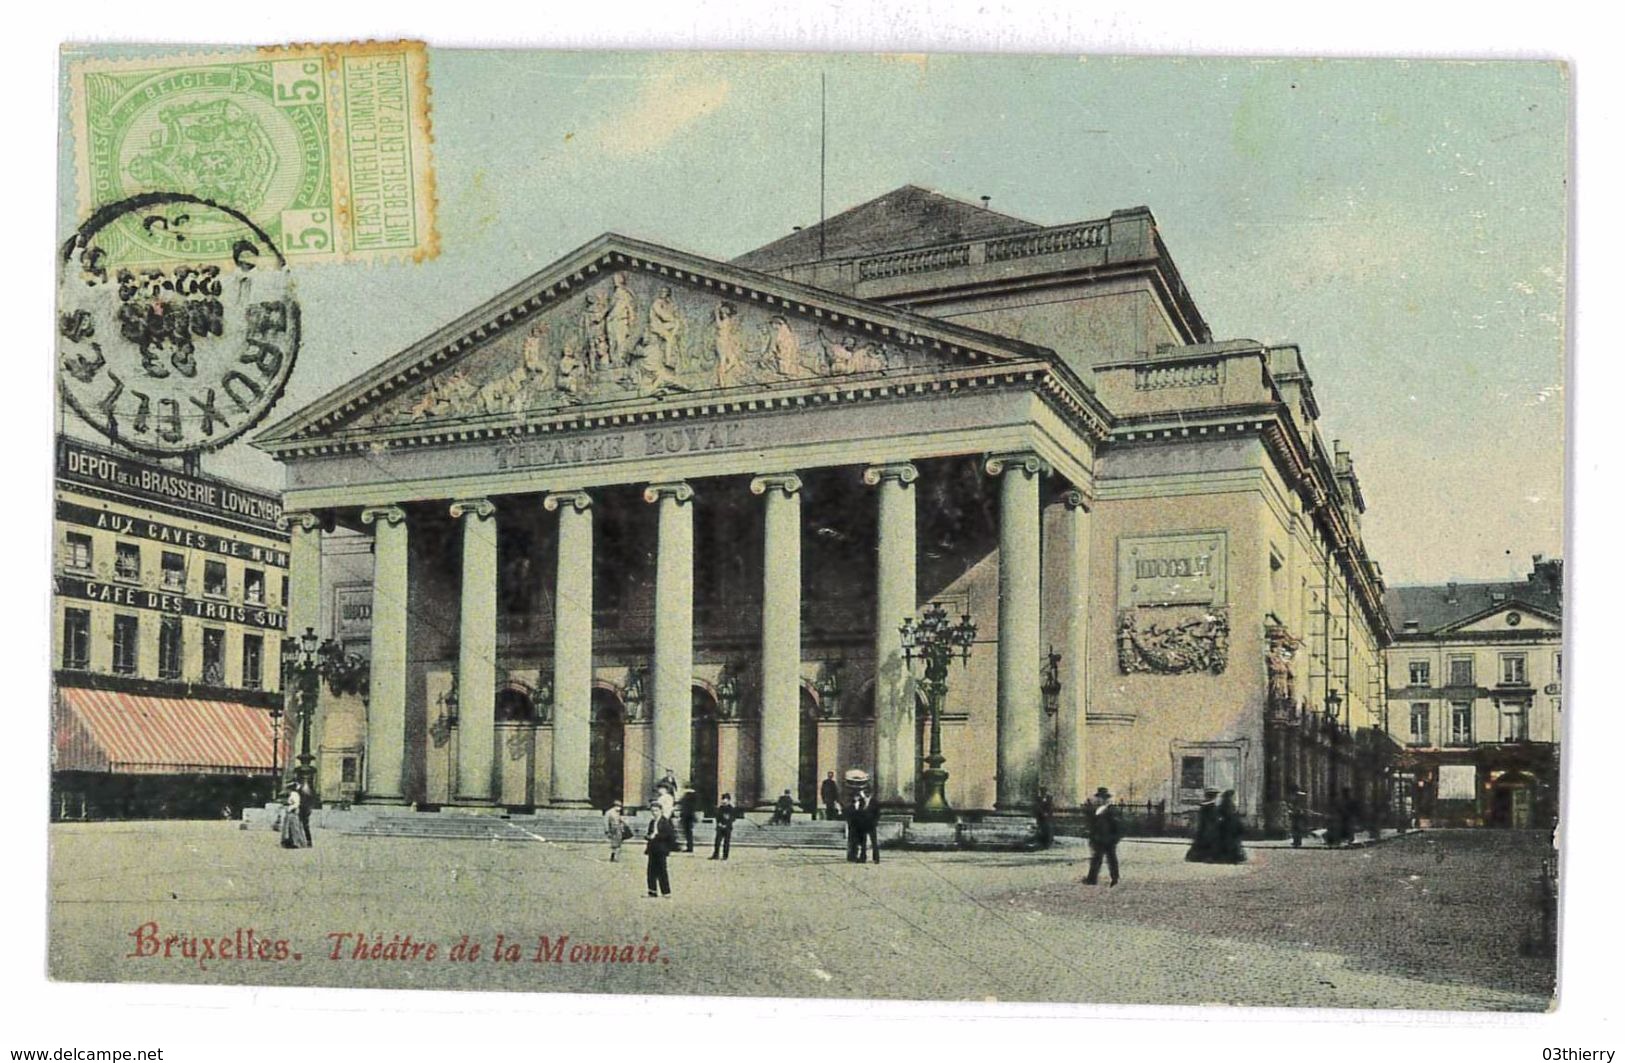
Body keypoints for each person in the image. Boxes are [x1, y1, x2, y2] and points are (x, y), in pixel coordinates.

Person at [1082, 786, 1122, 886]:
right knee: (1097, 859)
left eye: (1103, 797)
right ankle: (1092, 878)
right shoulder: (1096, 809)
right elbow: (1092, 824)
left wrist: (1115, 837)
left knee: (1110, 858)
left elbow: (1117, 825)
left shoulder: (1111, 809)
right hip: (1099, 838)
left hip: (1108, 838)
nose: (1101, 799)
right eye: (1100, 797)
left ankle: (1114, 877)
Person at [645, 804, 676, 898]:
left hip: (661, 849)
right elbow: (649, 833)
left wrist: (657, 836)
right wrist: (648, 836)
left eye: (656, 811)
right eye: (653, 811)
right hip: (652, 849)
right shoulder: (652, 822)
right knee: (651, 871)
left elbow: (669, 835)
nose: (654, 813)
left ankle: (666, 891)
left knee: (662, 870)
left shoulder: (665, 822)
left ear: (661, 811)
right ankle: (652, 890)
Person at [1185, 788, 1220, 863]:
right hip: (1210, 826)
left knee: (1200, 842)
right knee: (1210, 841)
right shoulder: (1211, 805)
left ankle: (1197, 857)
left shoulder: (1204, 805)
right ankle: (1209, 857)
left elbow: (1201, 817)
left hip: (1203, 826)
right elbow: (1213, 817)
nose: (1216, 796)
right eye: (1215, 795)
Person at [1215, 790, 1248, 863]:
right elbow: (1229, 815)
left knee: (1230, 842)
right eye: (1233, 796)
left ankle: (1230, 857)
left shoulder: (1226, 805)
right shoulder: (1228, 805)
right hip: (1229, 827)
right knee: (1231, 842)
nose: (1234, 797)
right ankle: (1232, 857)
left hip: (1229, 827)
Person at [279, 784, 310, 849]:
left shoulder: (294, 794)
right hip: (290, 812)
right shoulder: (292, 794)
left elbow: (296, 804)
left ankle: (296, 842)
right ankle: (290, 842)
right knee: (289, 828)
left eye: (288, 789)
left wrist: (290, 808)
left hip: (293, 813)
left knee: (294, 828)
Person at [710, 793, 737, 860]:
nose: (723, 801)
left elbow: (732, 818)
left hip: (727, 828)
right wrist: (719, 823)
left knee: (726, 842)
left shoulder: (731, 809)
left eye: (725, 799)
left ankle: (725, 856)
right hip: (720, 827)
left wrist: (726, 824)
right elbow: (717, 817)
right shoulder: (720, 808)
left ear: (728, 800)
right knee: (717, 842)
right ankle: (716, 855)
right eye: (723, 799)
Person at [845, 790, 867, 862]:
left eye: (858, 796)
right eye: (855, 797)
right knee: (853, 843)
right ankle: (852, 857)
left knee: (863, 843)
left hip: (862, 826)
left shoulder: (863, 805)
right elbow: (848, 816)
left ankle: (862, 857)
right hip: (853, 827)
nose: (856, 798)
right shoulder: (850, 806)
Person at [860, 789, 881, 864]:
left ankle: (876, 858)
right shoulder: (862, 801)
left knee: (874, 842)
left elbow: (878, 814)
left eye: (868, 793)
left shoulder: (875, 802)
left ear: (871, 793)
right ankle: (862, 858)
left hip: (871, 824)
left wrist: (875, 822)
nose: (867, 794)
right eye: (866, 793)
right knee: (863, 842)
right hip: (863, 824)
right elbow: (859, 812)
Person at [297, 778, 316, 848]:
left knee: (304, 826)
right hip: (303, 809)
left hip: (304, 810)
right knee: (302, 826)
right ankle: (304, 841)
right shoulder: (306, 792)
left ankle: (307, 841)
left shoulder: (306, 793)